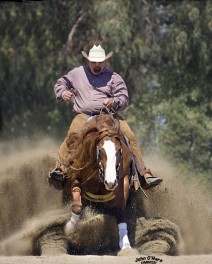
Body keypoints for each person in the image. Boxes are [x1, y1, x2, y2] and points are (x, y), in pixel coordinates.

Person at [51, 45, 162, 189]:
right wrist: (62, 93)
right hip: (83, 116)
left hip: (108, 116)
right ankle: (61, 169)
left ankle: (143, 174)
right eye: (94, 62)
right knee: (72, 135)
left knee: (130, 136)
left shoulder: (114, 77)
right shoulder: (76, 73)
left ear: (105, 62)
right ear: (88, 61)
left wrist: (114, 101)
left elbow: (123, 97)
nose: (97, 65)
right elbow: (61, 83)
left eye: (100, 62)